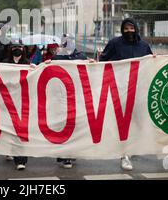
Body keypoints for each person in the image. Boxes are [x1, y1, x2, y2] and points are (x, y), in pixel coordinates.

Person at [99, 18, 153, 171]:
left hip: (139, 90)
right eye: (126, 28)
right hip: (120, 89)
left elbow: (151, 62)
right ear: (122, 30)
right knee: (124, 123)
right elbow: (103, 60)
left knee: (138, 122)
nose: (129, 31)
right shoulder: (115, 43)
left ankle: (131, 147)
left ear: (136, 28)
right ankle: (125, 154)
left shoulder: (143, 45)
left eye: (131, 28)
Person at [45, 34, 94, 169]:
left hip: (77, 97)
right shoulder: (57, 58)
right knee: (63, 127)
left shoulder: (81, 57)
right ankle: (64, 156)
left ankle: (72, 153)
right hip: (61, 98)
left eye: (70, 41)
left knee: (76, 126)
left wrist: (94, 64)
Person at [2, 41, 31, 170]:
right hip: (8, 99)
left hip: (22, 100)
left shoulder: (28, 63)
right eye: (14, 47)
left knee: (21, 128)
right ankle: (10, 150)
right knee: (9, 127)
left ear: (23, 49)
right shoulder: (4, 62)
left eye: (19, 47)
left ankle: (21, 159)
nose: (17, 49)